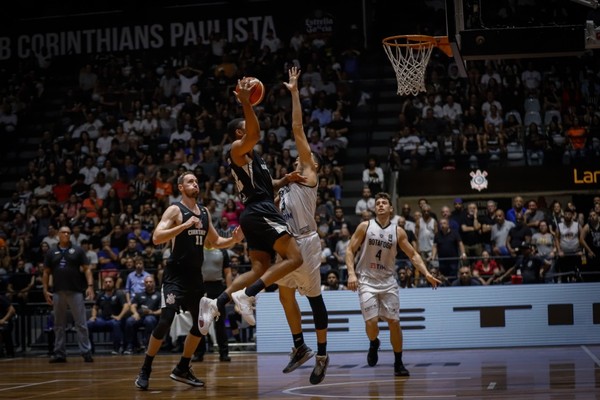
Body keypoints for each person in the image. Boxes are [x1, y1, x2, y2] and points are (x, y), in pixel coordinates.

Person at [199, 77, 304, 334]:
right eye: (247, 124)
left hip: (254, 212)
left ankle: (215, 303)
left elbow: (268, 186)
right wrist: (246, 103)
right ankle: (248, 295)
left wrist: (285, 179)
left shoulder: (253, 158)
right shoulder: (236, 148)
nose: (253, 127)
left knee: (260, 268)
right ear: (239, 132)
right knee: (295, 258)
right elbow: (255, 133)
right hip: (261, 211)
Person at [134, 171, 244, 390]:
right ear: (181, 187)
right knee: (165, 320)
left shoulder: (204, 213)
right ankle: (146, 368)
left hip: (195, 276)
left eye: (196, 181)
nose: (195, 184)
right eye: (190, 181)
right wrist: (183, 226)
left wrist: (233, 239)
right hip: (175, 276)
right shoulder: (175, 209)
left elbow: (214, 242)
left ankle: (183, 367)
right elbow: (157, 237)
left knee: (202, 323)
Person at [272, 67, 330, 385]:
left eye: (305, 157)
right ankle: (300, 347)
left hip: (306, 243)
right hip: (288, 244)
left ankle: (321, 355)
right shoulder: (290, 182)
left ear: (314, 165)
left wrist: (294, 92)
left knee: (313, 299)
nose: (299, 159)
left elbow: (297, 128)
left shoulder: (309, 174)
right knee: (284, 295)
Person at [345, 192, 440, 377]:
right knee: (372, 323)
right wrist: (350, 273)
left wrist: (427, 273)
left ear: (391, 209)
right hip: (366, 280)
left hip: (388, 282)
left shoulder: (398, 231)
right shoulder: (365, 226)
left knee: (394, 322)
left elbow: (413, 255)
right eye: (377, 203)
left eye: (384, 203)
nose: (380, 205)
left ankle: (398, 362)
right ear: (374, 208)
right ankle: (374, 343)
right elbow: (350, 249)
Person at [42, 225, 95, 363]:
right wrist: (45, 289)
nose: (66, 234)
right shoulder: (51, 252)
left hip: (75, 291)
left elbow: (87, 269)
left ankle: (86, 352)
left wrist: (90, 286)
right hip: (58, 292)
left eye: (68, 233)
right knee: (58, 324)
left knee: (81, 323)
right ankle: (59, 353)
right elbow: (46, 272)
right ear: (58, 234)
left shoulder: (77, 250)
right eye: (63, 232)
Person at [194, 247, 232, 362]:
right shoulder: (197, 249)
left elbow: (228, 271)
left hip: (218, 288)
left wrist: (229, 291)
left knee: (220, 323)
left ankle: (224, 353)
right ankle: (199, 353)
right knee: (200, 323)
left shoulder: (222, 251)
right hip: (201, 287)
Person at [87, 275, 129, 355]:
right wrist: (93, 316)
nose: (108, 283)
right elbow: (95, 307)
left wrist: (119, 316)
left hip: (114, 319)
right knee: (88, 324)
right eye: (106, 282)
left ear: (113, 283)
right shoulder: (100, 294)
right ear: (103, 284)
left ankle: (116, 349)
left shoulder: (119, 293)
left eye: (110, 282)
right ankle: (90, 349)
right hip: (103, 319)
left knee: (116, 324)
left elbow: (126, 306)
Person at [124, 275, 161, 355]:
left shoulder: (159, 295)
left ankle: (148, 346)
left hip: (153, 316)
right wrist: (135, 313)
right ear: (144, 284)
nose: (148, 284)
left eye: (150, 282)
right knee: (129, 321)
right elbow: (133, 306)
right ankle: (131, 346)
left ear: (154, 283)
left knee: (149, 320)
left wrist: (152, 312)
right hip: (140, 316)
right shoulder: (139, 294)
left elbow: (162, 310)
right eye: (146, 282)